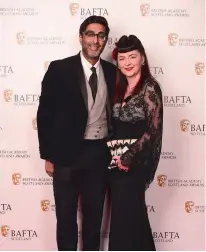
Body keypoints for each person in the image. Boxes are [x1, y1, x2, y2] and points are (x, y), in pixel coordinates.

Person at [36, 15, 116, 251]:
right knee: (66, 220)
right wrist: (48, 156)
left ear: (105, 40)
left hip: (99, 155)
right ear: (81, 37)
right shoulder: (60, 68)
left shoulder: (113, 73)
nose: (96, 40)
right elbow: (45, 114)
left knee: (94, 221)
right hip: (65, 156)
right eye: (91, 34)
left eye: (101, 35)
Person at [108, 35, 163, 251]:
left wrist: (128, 156)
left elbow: (153, 130)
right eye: (122, 58)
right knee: (123, 219)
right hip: (116, 163)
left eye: (133, 57)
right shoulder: (119, 87)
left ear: (143, 58)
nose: (128, 63)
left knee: (132, 217)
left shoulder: (149, 88)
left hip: (134, 163)